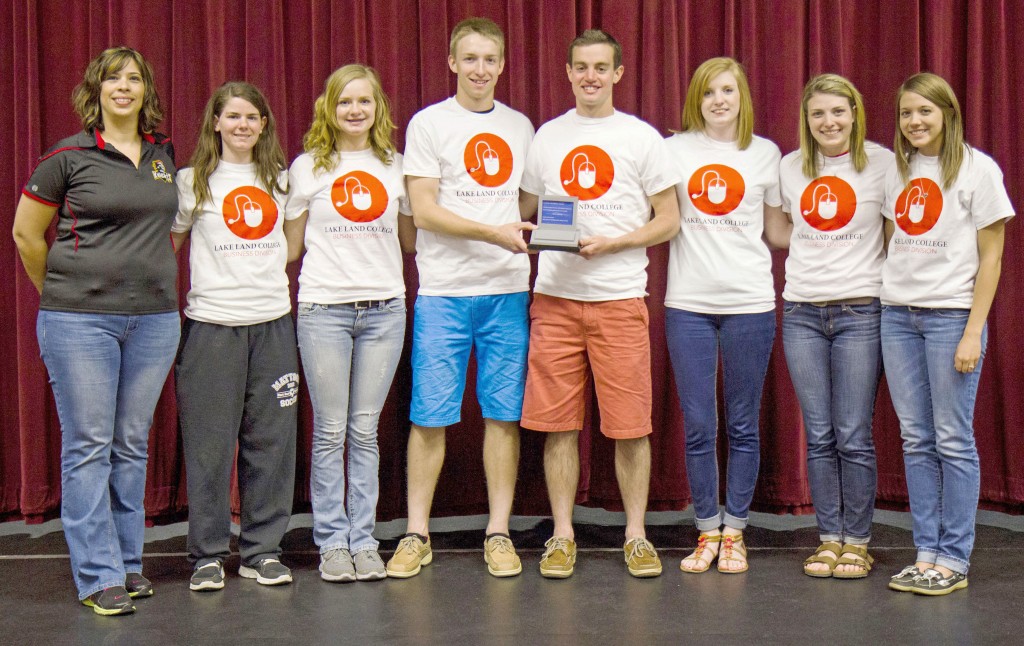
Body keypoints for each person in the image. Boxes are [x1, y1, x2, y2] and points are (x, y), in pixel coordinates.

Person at [11, 47, 180, 615]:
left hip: (156, 321)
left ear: (145, 90)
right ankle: (97, 575)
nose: (124, 87)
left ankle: (128, 565)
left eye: (134, 78)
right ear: (97, 90)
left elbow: (164, 232)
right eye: (114, 79)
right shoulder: (66, 156)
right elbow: (26, 235)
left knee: (131, 445)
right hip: (79, 323)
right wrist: (61, 295)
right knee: (89, 447)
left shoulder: (162, 154)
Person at [519, 29, 681, 579]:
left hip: (618, 299)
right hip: (556, 299)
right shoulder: (546, 137)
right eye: (581, 67)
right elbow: (529, 209)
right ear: (567, 73)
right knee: (558, 425)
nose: (590, 76)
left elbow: (669, 219)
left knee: (631, 425)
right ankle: (562, 535)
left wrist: (615, 242)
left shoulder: (641, 138)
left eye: (601, 67)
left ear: (617, 73)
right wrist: (538, 233)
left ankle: (636, 535)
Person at [385, 17, 535, 580]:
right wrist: (493, 232)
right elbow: (422, 211)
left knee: (502, 415)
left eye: (489, 59)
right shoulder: (428, 125)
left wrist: (509, 235)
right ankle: (416, 533)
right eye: (469, 59)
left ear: (502, 65)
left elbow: (526, 202)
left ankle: (498, 532)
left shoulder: (521, 127)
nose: (479, 69)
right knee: (429, 416)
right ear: (452, 63)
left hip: (505, 293)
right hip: (445, 293)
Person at [882, 73, 1013, 596]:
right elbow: (895, 236)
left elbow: (993, 256)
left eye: (925, 112)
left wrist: (972, 331)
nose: (915, 121)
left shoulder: (980, 170)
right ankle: (926, 552)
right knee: (916, 440)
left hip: (950, 320)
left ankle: (954, 558)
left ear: (948, 114)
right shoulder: (897, 170)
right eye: (906, 113)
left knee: (953, 440)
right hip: (897, 317)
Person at [288, 64, 415, 582]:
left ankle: (364, 540)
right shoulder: (306, 169)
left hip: (385, 310)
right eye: (345, 102)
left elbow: (409, 241)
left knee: (364, 431)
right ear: (329, 108)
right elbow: (290, 247)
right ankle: (331, 543)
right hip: (323, 312)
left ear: (378, 108)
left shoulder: (398, 167)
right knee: (330, 432)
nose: (355, 110)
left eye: (364, 101)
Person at [663, 57, 788, 574]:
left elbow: (779, 233)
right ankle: (706, 530)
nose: (719, 100)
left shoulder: (766, 154)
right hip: (687, 305)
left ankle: (734, 532)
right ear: (697, 98)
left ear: (742, 98)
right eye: (709, 91)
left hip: (750, 305)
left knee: (742, 425)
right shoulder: (672, 151)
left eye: (728, 91)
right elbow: (651, 214)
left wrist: (844, 235)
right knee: (697, 424)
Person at [171, 82, 297, 591]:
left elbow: (289, 249)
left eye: (253, 117)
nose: (243, 125)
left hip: (271, 323)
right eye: (233, 116)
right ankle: (206, 553)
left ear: (263, 125)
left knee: (271, 442)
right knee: (209, 444)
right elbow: (168, 247)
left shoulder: (282, 183)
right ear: (216, 123)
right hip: (211, 326)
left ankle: (261, 550)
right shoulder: (191, 182)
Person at [778, 74, 894, 578]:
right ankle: (829, 538)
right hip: (801, 311)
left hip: (859, 313)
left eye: (838, 112)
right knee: (820, 433)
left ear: (855, 113)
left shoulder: (884, 164)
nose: (829, 122)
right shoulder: (789, 167)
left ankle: (859, 541)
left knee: (853, 433)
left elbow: (895, 236)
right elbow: (780, 230)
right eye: (818, 113)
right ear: (807, 119)